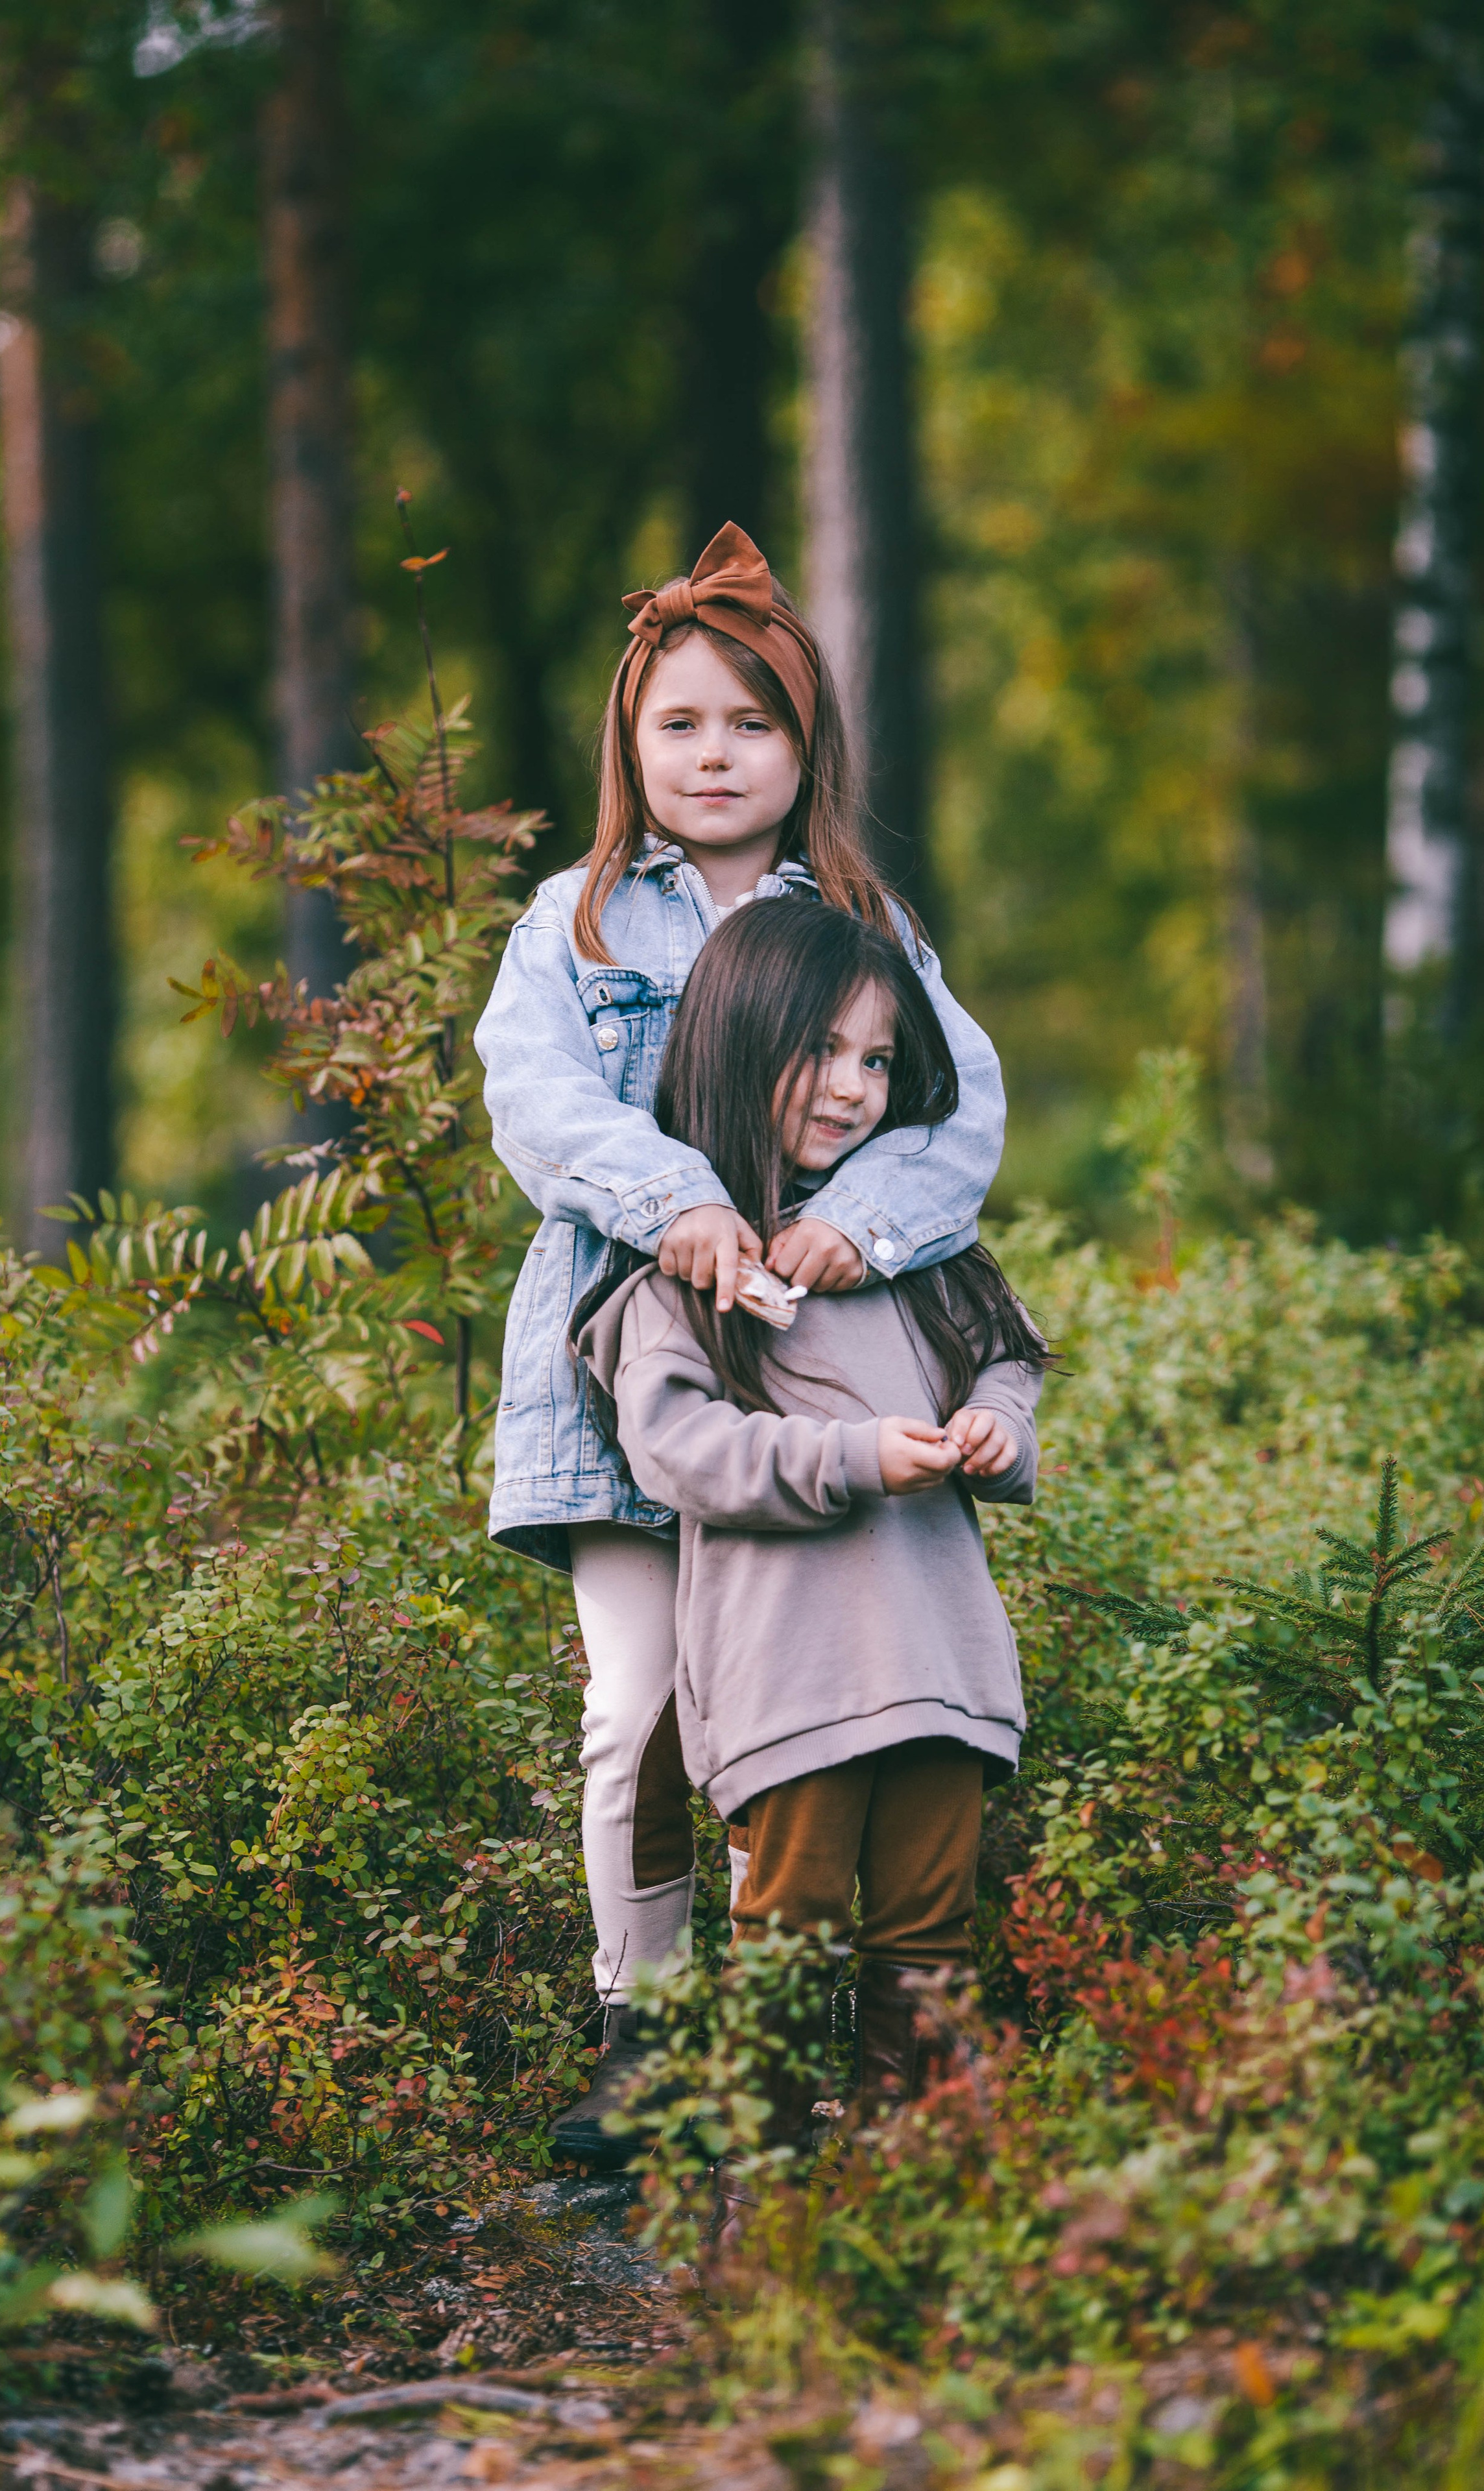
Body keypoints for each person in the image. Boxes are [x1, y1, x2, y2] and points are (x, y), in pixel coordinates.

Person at [473, 523, 1006, 2163]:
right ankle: (647, 2029)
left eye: (752, 723)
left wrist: (865, 1221)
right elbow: (535, 1097)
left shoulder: (864, 919)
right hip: (617, 1370)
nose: (715, 755)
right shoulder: (569, 924)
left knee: (811, 1705)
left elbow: (955, 1106)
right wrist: (679, 1200)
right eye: (681, 724)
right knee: (635, 1705)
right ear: (630, 743)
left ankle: (838, 2049)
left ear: (804, 745)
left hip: (815, 1376)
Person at [573, 897, 1045, 2152]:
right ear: (735, 1047)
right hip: (792, 1677)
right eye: (819, 1052)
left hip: (939, 1660)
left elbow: (1003, 1359)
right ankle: (762, 2194)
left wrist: (997, 1428)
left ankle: (905, 2175)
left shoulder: (913, 1247)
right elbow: (681, 1451)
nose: (851, 1089)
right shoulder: (686, 1275)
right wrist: (856, 1460)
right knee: (783, 1931)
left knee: (926, 1935)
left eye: (877, 1060)